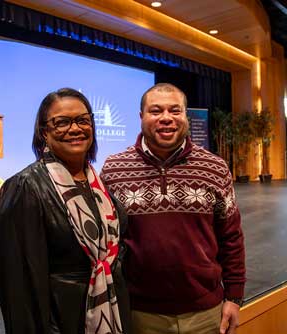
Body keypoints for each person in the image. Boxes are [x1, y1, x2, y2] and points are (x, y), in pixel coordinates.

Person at [101, 83, 246, 334]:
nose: (166, 118)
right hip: (140, 313)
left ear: (185, 116)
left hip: (206, 313)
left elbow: (231, 237)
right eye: (156, 111)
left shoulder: (215, 168)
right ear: (141, 117)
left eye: (175, 110)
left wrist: (234, 297)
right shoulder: (113, 169)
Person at [0, 88, 131, 334]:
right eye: (62, 122)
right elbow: (19, 285)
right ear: (44, 132)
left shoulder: (97, 184)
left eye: (82, 120)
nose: (75, 129)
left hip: (111, 311)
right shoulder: (25, 187)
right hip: (62, 321)